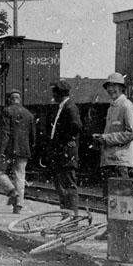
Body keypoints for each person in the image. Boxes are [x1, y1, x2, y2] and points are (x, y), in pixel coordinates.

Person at [92, 72, 133, 239]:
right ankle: (112, 229)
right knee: (110, 199)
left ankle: (122, 232)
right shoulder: (112, 106)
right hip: (109, 160)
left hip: (120, 161)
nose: (111, 89)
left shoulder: (126, 106)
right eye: (109, 86)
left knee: (121, 200)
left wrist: (106, 139)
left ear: (121, 88)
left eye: (114, 86)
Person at [0, 89, 35, 214]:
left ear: (10, 100)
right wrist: (29, 149)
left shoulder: (7, 111)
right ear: (19, 99)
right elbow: (33, 136)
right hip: (24, 150)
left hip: (9, 149)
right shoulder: (29, 114)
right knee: (20, 176)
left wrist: (1, 151)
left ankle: (11, 191)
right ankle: (18, 206)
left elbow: (5, 133)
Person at [48, 79, 83, 217]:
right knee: (63, 187)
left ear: (59, 93)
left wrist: (67, 141)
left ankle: (72, 219)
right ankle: (67, 217)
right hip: (62, 153)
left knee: (68, 186)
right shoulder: (64, 106)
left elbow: (76, 126)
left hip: (66, 153)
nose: (53, 95)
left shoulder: (70, 107)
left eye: (54, 92)